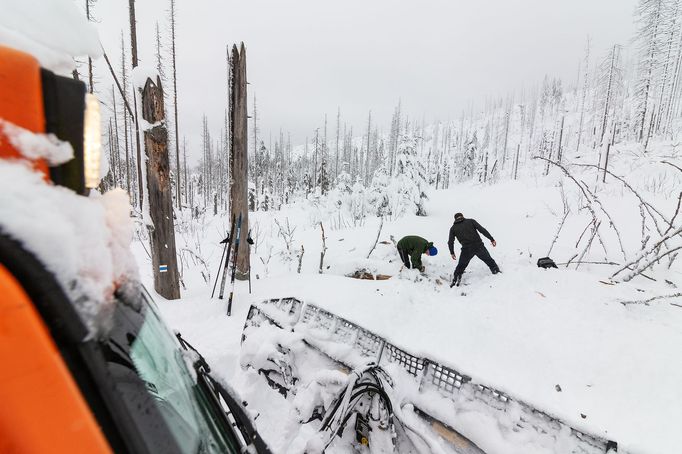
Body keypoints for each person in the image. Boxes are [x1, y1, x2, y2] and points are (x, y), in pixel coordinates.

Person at [448, 213, 499, 285]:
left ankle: (456, 279)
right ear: (462, 216)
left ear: (455, 219)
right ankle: (496, 272)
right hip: (479, 246)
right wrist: (491, 239)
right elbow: (482, 230)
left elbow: (450, 242)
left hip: (466, 249)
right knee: (488, 260)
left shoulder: (453, 228)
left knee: (461, 265)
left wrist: (452, 252)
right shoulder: (471, 221)